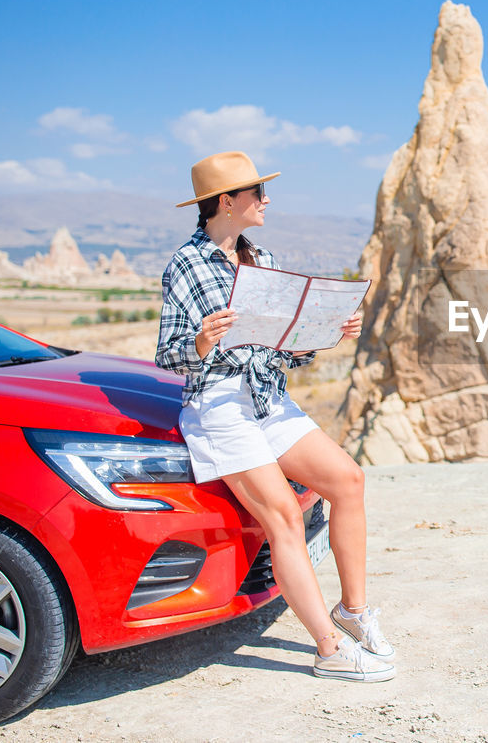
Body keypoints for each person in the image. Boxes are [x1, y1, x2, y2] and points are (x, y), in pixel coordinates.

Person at [155, 150, 394, 682]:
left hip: (267, 400)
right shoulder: (185, 266)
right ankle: (329, 652)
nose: (266, 200)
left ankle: (352, 613)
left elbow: (282, 346)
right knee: (284, 514)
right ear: (226, 202)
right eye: (257, 193)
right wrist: (199, 341)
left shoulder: (261, 256)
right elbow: (168, 355)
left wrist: (325, 334)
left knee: (348, 481)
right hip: (219, 406)